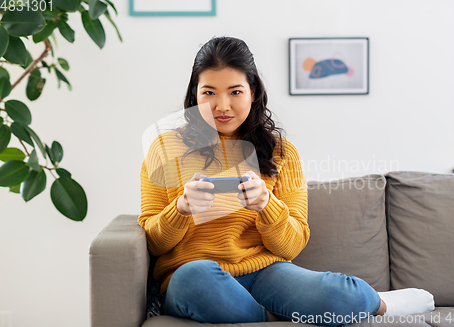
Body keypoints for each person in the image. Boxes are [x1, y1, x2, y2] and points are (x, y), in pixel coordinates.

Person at [138, 36, 435, 326]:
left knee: (339, 295)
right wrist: (181, 209)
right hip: (195, 277)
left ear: (253, 92)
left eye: (235, 92)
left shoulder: (281, 152)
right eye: (209, 92)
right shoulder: (164, 148)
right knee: (195, 279)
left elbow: (291, 246)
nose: (222, 106)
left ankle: (382, 304)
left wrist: (266, 205)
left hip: (264, 272)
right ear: (195, 94)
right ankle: (271, 316)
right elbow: (152, 243)